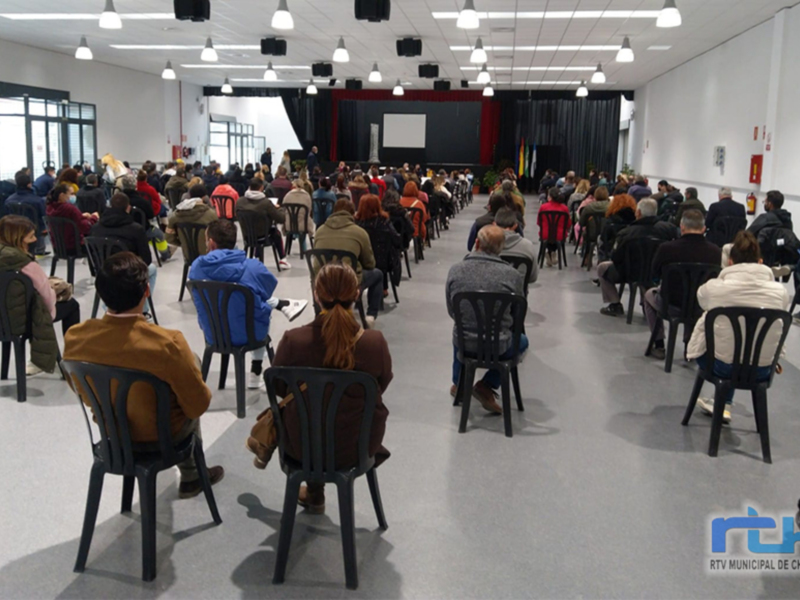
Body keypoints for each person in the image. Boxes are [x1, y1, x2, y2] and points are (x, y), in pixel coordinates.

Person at [64, 252, 224, 498]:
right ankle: (192, 476)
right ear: (146, 291)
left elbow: (82, 390)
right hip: (163, 438)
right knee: (190, 374)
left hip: (114, 436)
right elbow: (198, 405)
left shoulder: (75, 337)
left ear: (101, 293)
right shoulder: (168, 343)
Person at [244, 262, 391, 513]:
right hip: (356, 446)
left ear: (316, 295)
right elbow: (381, 384)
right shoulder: (373, 342)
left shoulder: (294, 340)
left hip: (301, 446)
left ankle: (314, 492)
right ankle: (314, 493)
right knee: (334, 415)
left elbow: (278, 386)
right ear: (356, 294)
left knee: (311, 413)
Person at [686, 231, 789, 424]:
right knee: (744, 341)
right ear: (760, 262)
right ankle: (724, 403)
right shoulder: (780, 292)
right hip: (762, 369)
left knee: (724, 337)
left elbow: (701, 300)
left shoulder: (714, 288)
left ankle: (723, 402)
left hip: (721, 367)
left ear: (730, 262)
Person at [189, 220, 307, 389]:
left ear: (211, 243)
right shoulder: (253, 267)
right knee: (260, 304)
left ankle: (283, 304)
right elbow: (267, 290)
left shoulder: (196, 268)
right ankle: (255, 372)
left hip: (213, 333)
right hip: (249, 335)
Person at [446, 225, 527, 414]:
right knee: (522, 341)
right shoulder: (512, 275)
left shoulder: (455, 270)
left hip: (464, 343)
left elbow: (452, 311)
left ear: (476, 243)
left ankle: (458, 383)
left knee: (460, 328)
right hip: (499, 344)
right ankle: (487, 384)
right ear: (501, 249)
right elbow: (518, 314)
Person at [0, 215, 81, 375]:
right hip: (24, 321)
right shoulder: (26, 264)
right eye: (30, 236)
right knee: (72, 305)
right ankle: (72, 354)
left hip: (3, 320)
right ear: (17, 238)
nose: (35, 239)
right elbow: (47, 299)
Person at [643, 209, 722, 359]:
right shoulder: (715, 252)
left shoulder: (667, 248)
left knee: (648, 295)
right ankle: (689, 345)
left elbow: (654, 274)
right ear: (704, 228)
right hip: (701, 306)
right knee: (695, 295)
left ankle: (659, 343)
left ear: (682, 227)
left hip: (671, 304)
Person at [597, 198, 679, 316]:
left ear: (638, 212)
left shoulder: (626, 233)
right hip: (656, 272)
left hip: (628, 273)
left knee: (602, 268)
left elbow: (616, 257)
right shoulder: (668, 229)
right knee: (646, 270)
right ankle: (647, 304)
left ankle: (615, 304)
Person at [313, 199, 382, 328]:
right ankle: (370, 316)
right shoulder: (359, 233)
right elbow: (370, 264)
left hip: (323, 282)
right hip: (348, 283)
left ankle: (320, 316)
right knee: (377, 274)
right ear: (352, 213)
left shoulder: (320, 231)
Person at [91, 193, 159, 295]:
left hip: (104, 272)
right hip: (129, 274)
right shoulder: (136, 229)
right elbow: (146, 260)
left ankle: (110, 306)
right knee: (152, 269)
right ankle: (141, 308)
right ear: (128, 208)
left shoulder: (95, 229)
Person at [237, 178, 290, 269]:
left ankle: (256, 256)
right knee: (275, 232)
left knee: (259, 227)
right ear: (261, 188)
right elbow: (281, 219)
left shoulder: (240, 202)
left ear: (249, 187)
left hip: (247, 235)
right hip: (263, 235)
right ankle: (282, 259)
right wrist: (279, 209)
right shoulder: (266, 203)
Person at [355, 194, 402, 297]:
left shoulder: (356, 223)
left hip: (360, 261)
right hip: (383, 262)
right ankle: (383, 288)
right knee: (383, 255)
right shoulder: (384, 222)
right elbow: (396, 239)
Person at [121, 174, 171, 262]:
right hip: (143, 230)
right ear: (135, 185)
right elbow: (151, 215)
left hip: (122, 231)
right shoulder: (142, 201)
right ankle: (165, 254)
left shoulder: (117, 200)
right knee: (159, 235)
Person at [166, 185, 219, 257]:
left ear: (190, 195)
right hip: (209, 255)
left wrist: (184, 243)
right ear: (204, 197)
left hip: (188, 255)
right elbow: (219, 236)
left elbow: (169, 238)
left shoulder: (175, 215)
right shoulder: (211, 214)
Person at [45, 184, 98, 253]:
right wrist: (94, 217)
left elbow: (68, 220)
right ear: (62, 195)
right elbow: (85, 228)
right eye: (71, 194)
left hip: (58, 246)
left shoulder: (50, 208)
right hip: (74, 246)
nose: (73, 196)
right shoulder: (70, 208)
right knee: (99, 246)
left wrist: (81, 216)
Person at [6, 172, 48, 256]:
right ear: (29, 185)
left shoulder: (9, 200)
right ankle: (40, 249)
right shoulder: (37, 200)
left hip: (14, 229)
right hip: (34, 229)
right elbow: (44, 215)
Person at [495, 207, 539, 286]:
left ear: (494, 224)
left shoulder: (486, 245)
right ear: (515, 225)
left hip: (492, 296)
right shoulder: (528, 246)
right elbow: (532, 278)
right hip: (518, 296)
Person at [537, 187, 571, 267]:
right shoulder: (564, 208)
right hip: (560, 235)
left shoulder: (543, 207)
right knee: (557, 236)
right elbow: (568, 224)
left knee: (548, 235)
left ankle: (549, 253)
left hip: (545, 234)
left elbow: (539, 222)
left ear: (550, 197)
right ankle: (553, 252)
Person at [599, 193, 638, 258]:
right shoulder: (636, 222)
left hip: (613, 255)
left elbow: (603, 238)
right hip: (633, 256)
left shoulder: (610, 221)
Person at [282, 180, 315, 253]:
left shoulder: (287, 195)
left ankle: (288, 249)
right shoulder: (307, 196)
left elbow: (284, 210)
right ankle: (304, 250)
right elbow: (309, 210)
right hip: (303, 225)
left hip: (289, 225)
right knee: (303, 219)